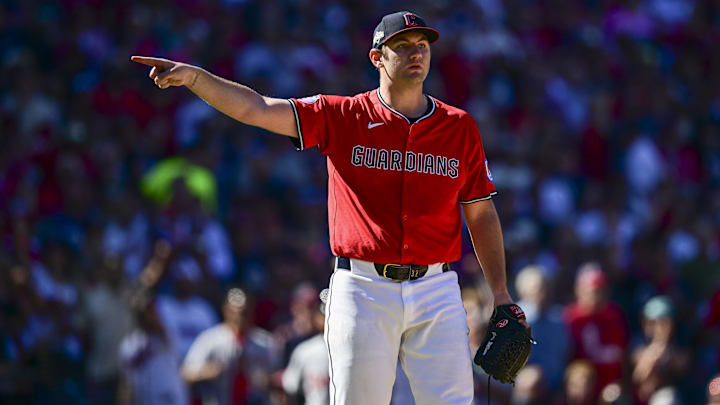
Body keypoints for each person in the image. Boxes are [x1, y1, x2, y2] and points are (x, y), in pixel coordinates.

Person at [132, 10, 525, 405]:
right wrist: (196, 78)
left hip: (436, 287)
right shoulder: (343, 115)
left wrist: (501, 293)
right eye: (402, 46)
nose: (415, 53)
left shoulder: (459, 127)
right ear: (377, 58)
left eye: (422, 45)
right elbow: (259, 109)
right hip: (363, 288)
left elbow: (480, 211)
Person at [182, 288, 277, 405]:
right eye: (235, 313)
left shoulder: (264, 342)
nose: (239, 318)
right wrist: (208, 371)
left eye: (244, 313)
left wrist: (266, 380)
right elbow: (186, 373)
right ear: (226, 311)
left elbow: (278, 376)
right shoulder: (210, 339)